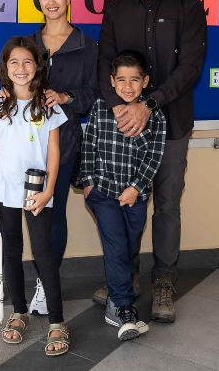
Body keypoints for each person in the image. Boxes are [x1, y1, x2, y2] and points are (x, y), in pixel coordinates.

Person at [0, 0, 98, 316]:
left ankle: (46, 287)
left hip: (60, 142)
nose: (51, 2)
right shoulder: (29, 44)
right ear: (38, 1)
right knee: (9, 209)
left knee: (50, 213)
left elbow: (96, 94)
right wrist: (6, 95)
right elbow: (11, 76)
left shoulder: (88, 46)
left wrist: (66, 96)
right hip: (20, 143)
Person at [94, 0, 208, 323]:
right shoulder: (116, 8)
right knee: (126, 201)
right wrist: (123, 110)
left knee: (167, 206)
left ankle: (164, 280)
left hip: (171, 124)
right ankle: (126, 278)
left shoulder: (190, 7)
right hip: (124, 127)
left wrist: (149, 104)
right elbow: (103, 64)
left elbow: (190, 67)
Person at [0, 36, 70, 356]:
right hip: (5, 194)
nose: (21, 68)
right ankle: (19, 313)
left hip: (38, 193)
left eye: (28, 62)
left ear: (38, 67)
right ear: (5, 67)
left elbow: (54, 151)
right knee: (11, 254)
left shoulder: (48, 106)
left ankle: (57, 322)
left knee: (44, 254)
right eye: (14, 62)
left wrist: (48, 191)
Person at [79, 50, 166, 341]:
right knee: (116, 246)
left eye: (134, 80)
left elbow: (154, 157)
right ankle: (124, 310)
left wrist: (136, 188)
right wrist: (89, 184)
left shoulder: (156, 117)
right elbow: (88, 145)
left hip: (135, 196)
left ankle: (117, 296)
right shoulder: (101, 108)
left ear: (146, 82)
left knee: (128, 247)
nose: (128, 87)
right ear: (112, 82)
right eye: (122, 80)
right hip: (103, 192)